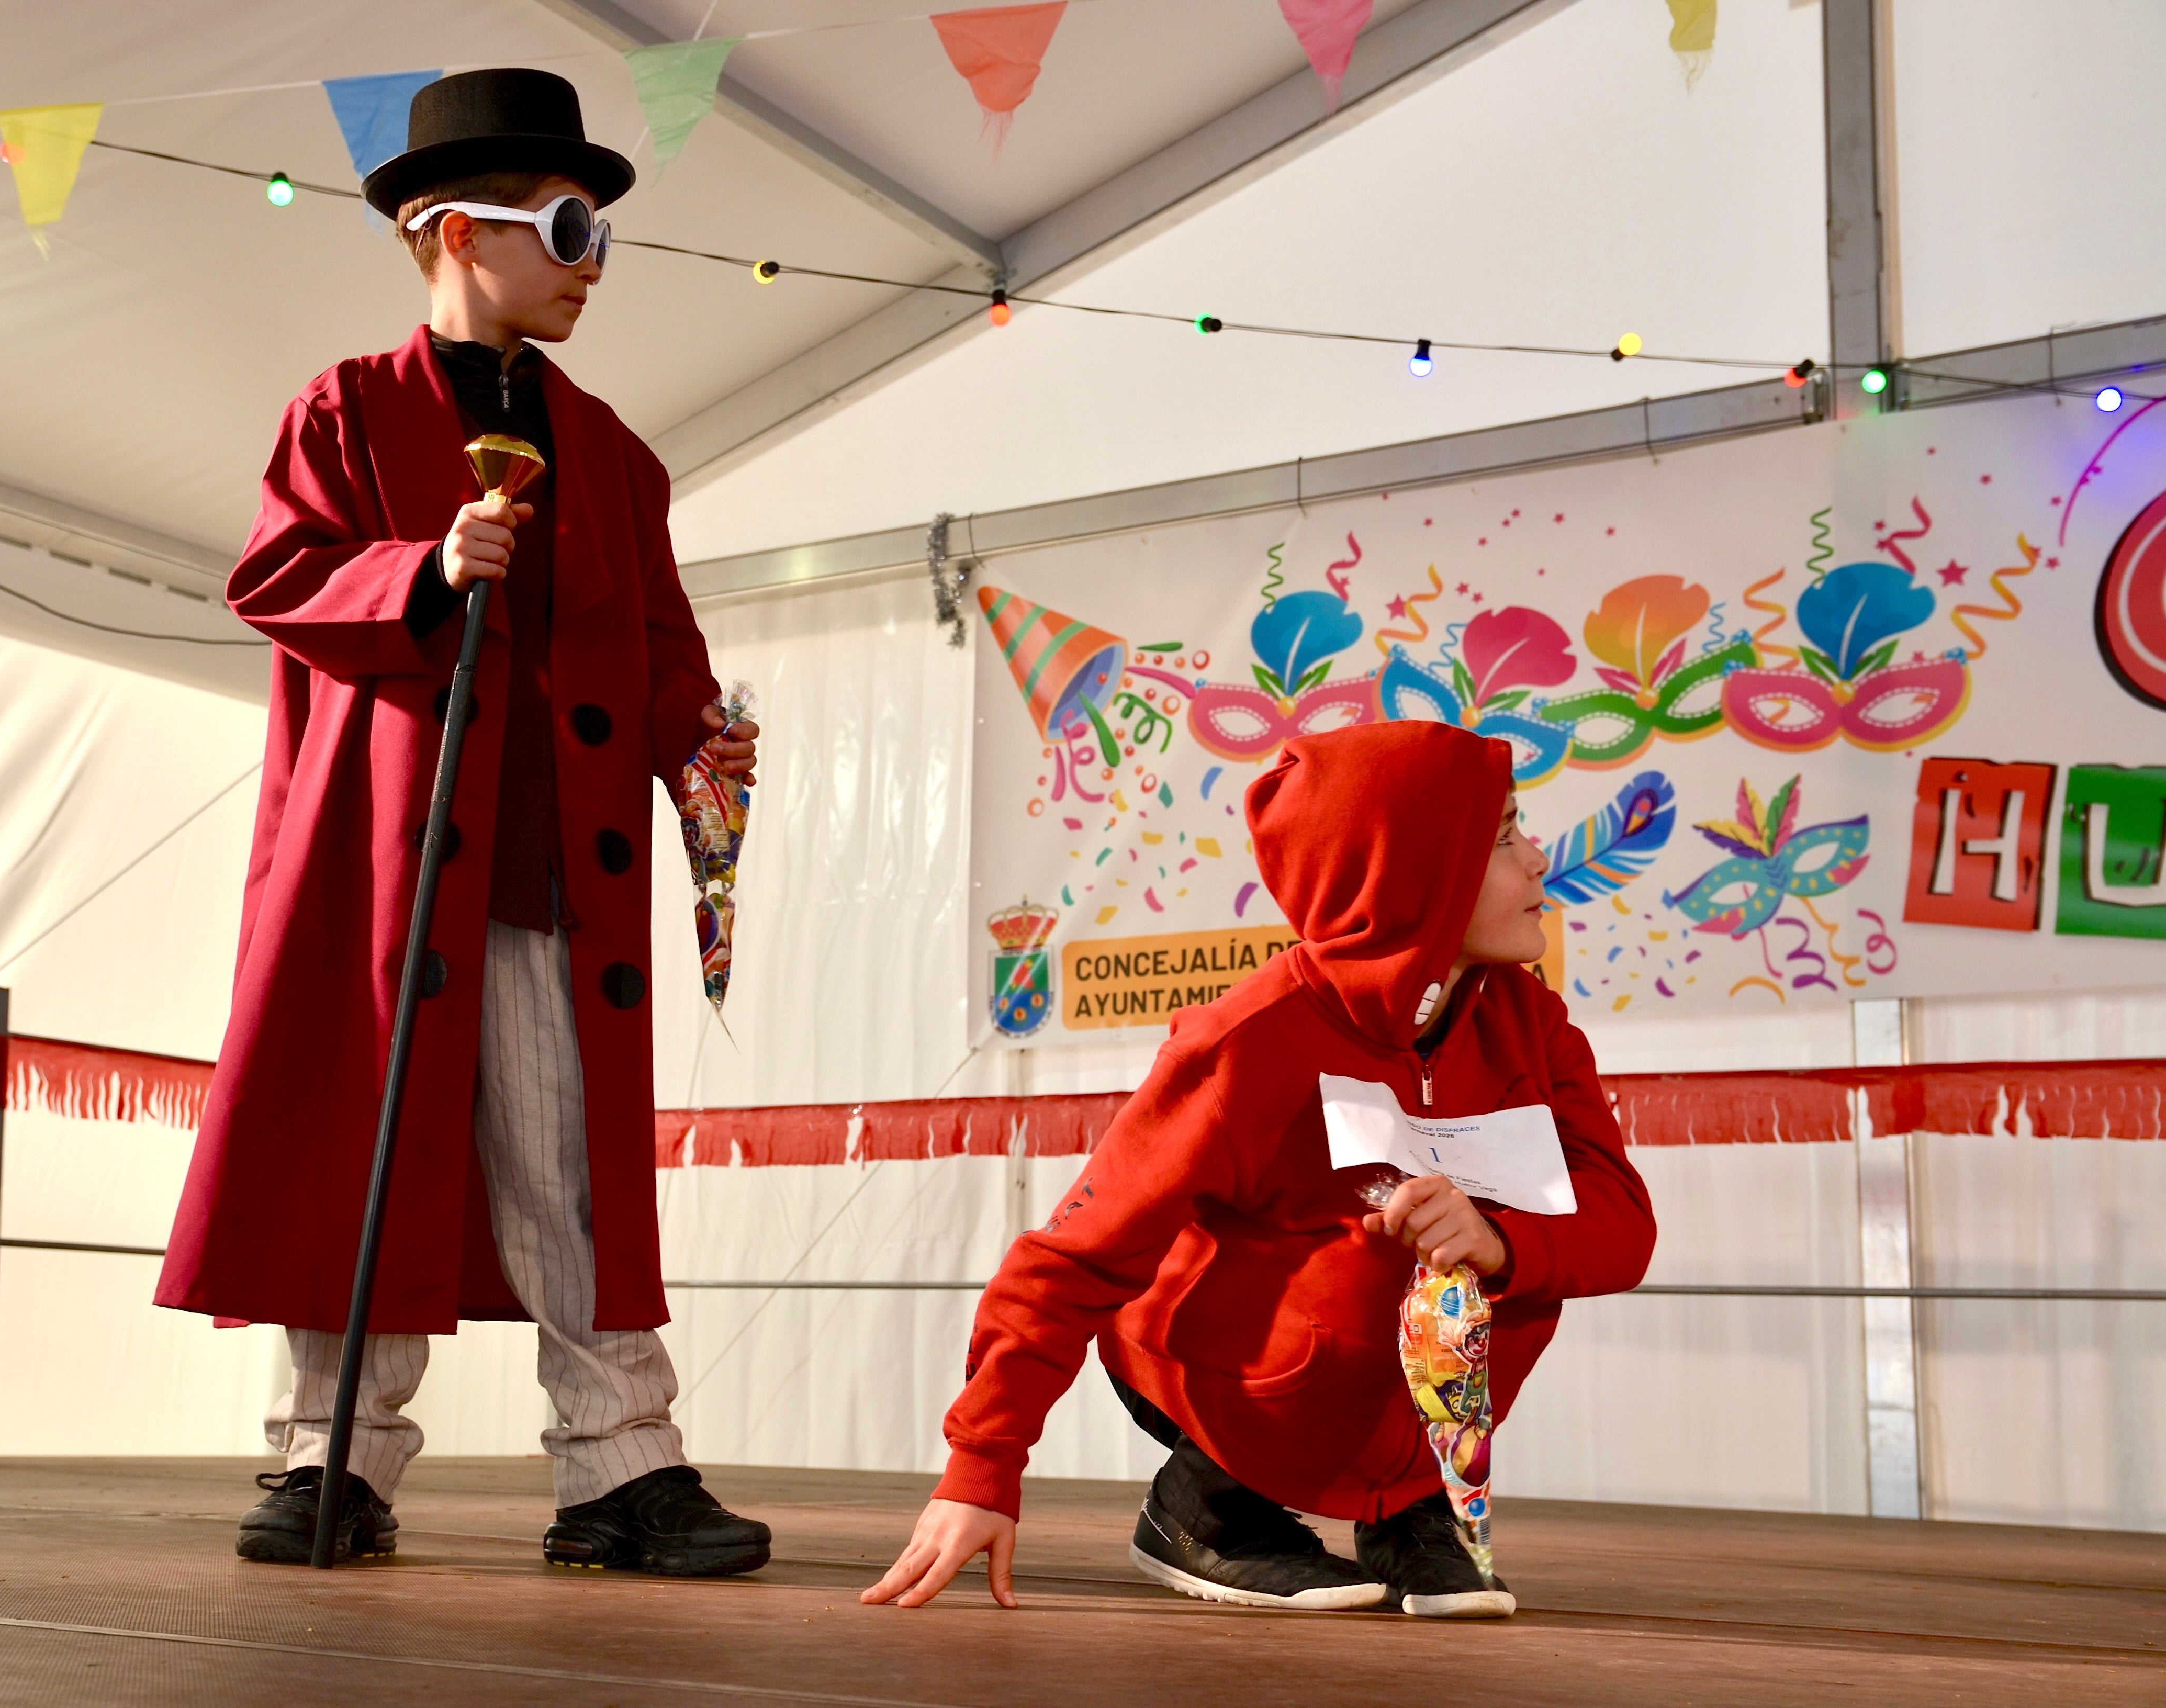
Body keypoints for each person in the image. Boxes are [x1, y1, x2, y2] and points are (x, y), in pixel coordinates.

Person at [155, 68, 770, 1576]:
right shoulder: (346, 411)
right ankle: (333, 1457)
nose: (589, 264)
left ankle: (621, 1464)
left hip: (555, 879)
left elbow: (661, 650)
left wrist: (696, 731)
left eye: (600, 235)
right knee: (359, 1153)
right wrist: (423, 571)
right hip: (386, 871)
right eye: (565, 229)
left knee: (570, 1170)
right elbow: (278, 579)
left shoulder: (614, 455)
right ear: (451, 232)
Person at [864, 721, 1656, 1618]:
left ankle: (1411, 1506)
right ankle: (1209, 1505)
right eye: (1505, 836)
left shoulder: (1532, 1024)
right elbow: (1073, 1258)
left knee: (1496, 1269)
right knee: (1367, 1263)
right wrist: (982, 1467)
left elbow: (1623, 1226)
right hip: (1203, 1361)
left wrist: (1501, 1242)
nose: (1541, 858)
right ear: (1418, 874)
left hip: (1374, 1385)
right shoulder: (1247, 1043)